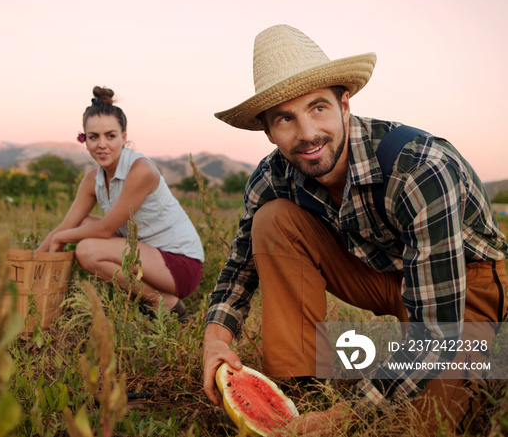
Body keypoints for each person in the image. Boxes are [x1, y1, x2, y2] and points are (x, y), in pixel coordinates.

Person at [202, 24, 508, 435]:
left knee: (417, 426)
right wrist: (216, 339)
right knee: (272, 219)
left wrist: (345, 417)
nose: (308, 134)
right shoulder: (272, 175)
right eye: (285, 119)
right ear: (268, 131)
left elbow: (438, 330)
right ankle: (301, 383)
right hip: (386, 274)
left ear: (344, 104)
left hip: (465, 289)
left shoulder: (419, 169)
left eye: (317, 108)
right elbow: (240, 265)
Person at [39, 86, 204, 318]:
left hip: (179, 264)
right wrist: (33, 260)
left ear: (124, 137)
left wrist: (60, 238)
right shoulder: (92, 180)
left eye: (111, 135)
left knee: (86, 250)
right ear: (84, 140)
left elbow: (105, 229)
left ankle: (165, 303)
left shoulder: (141, 170)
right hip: (144, 255)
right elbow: (67, 225)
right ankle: (149, 296)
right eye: (93, 137)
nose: (102, 144)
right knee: (81, 223)